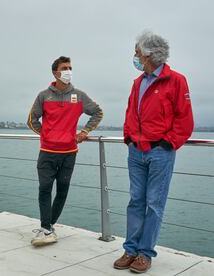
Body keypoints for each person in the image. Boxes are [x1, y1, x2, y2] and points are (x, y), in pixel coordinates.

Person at [113, 31, 194, 273]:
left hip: (160, 152)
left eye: (137, 52)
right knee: (135, 201)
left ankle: (145, 254)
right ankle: (130, 250)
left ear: (149, 54)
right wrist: (128, 136)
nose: (135, 56)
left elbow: (185, 119)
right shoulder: (137, 82)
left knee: (154, 204)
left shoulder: (177, 81)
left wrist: (169, 142)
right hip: (135, 152)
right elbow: (131, 112)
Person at [27, 56, 103, 246]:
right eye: (64, 68)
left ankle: (48, 227)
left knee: (62, 191)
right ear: (55, 72)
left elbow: (98, 112)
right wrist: (47, 134)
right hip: (47, 151)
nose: (68, 71)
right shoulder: (44, 95)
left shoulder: (79, 95)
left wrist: (85, 131)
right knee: (44, 189)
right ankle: (46, 228)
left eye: (70, 67)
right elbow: (31, 120)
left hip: (69, 153)